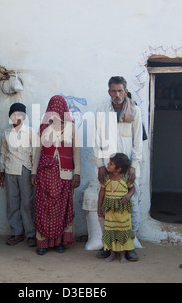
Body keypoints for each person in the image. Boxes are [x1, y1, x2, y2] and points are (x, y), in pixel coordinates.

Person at [93, 76, 143, 261]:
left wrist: (134, 166)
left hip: (127, 167)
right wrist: (100, 165)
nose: (117, 94)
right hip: (108, 166)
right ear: (109, 92)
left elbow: (138, 142)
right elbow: (96, 140)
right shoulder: (101, 111)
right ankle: (108, 245)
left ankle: (129, 246)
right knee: (104, 208)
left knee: (132, 208)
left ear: (125, 90)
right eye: (113, 91)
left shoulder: (134, 111)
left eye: (120, 90)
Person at [31, 95, 81, 255]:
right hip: (45, 174)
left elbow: (76, 151)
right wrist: (33, 172)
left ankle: (60, 242)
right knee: (44, 208)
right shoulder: (44, 127)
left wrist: (77, 173)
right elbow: (38, 151)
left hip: (65, 175)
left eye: (60, 108)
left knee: (62, 208)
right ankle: (42, 243)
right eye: (54, 108)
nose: (57, 112)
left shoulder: (72, 128)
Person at [0, 103, 38, 247]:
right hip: (10, 170)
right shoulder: (6, 133)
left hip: (25, 170)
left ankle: (30, 233)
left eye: (20, 114)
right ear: (10, 117)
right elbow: (3, 153)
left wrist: (34, 173)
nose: (17, 117)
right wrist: (1, 172)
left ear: (24, 116)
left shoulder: (31, 132)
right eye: (14, 115)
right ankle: (17, 232)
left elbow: (35, 154)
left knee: (27, 202)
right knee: (12, 202)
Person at [97, 153, 135, 263]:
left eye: (111, 164)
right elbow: (101, 193)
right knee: (110, 230)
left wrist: (128, 196)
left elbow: (132, 189)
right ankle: (112, 254)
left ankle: (123, 255)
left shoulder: (126, 178)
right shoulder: (106, 178)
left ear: (118, 169)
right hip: (110, 211)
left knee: (122, 231)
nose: (108, 164)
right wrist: (98, 207)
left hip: (123, 211)